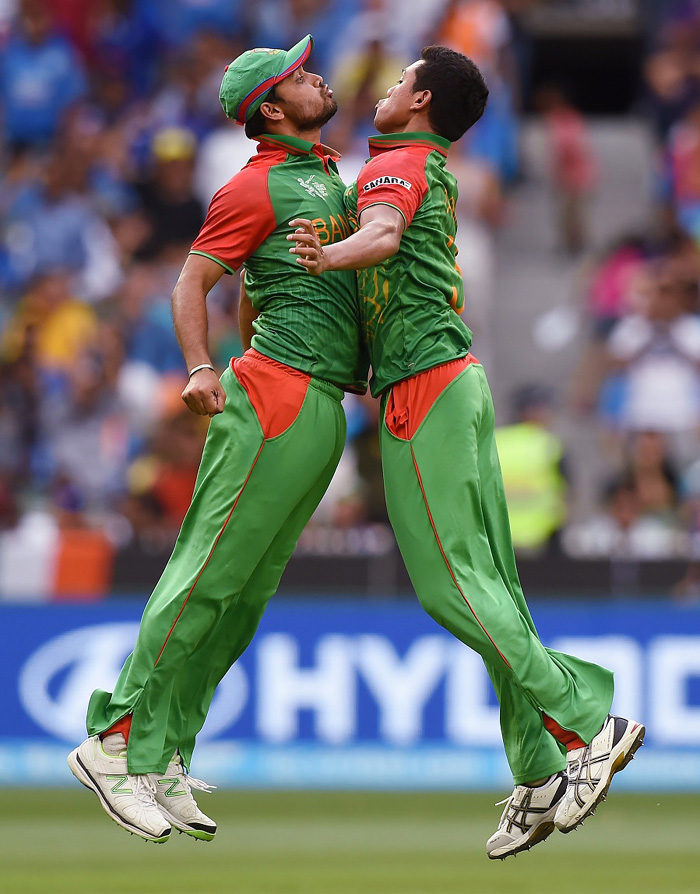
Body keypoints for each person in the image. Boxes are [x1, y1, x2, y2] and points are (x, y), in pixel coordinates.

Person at [289, 44, 645, 860]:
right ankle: (538, 771)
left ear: (419, 102)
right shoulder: (424, 162)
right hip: (457, 380)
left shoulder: (396, 165)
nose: (381, 89)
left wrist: (325, 253)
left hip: (424, 385)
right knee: (492, 588)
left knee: (452, 587)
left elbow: (378, 233)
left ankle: (592, 720)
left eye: (397, 79)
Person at [68, 34, 368, 844]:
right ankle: (115, 737)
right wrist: (204, 367)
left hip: (317, 401)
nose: (315, 75)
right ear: (272, 109)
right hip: (273, 395)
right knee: (206, 573)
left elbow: (254, 293)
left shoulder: (322, 173)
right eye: (297, 75)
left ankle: (164, 751)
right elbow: (194, 279)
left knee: (244, 596)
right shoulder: (255, 185)